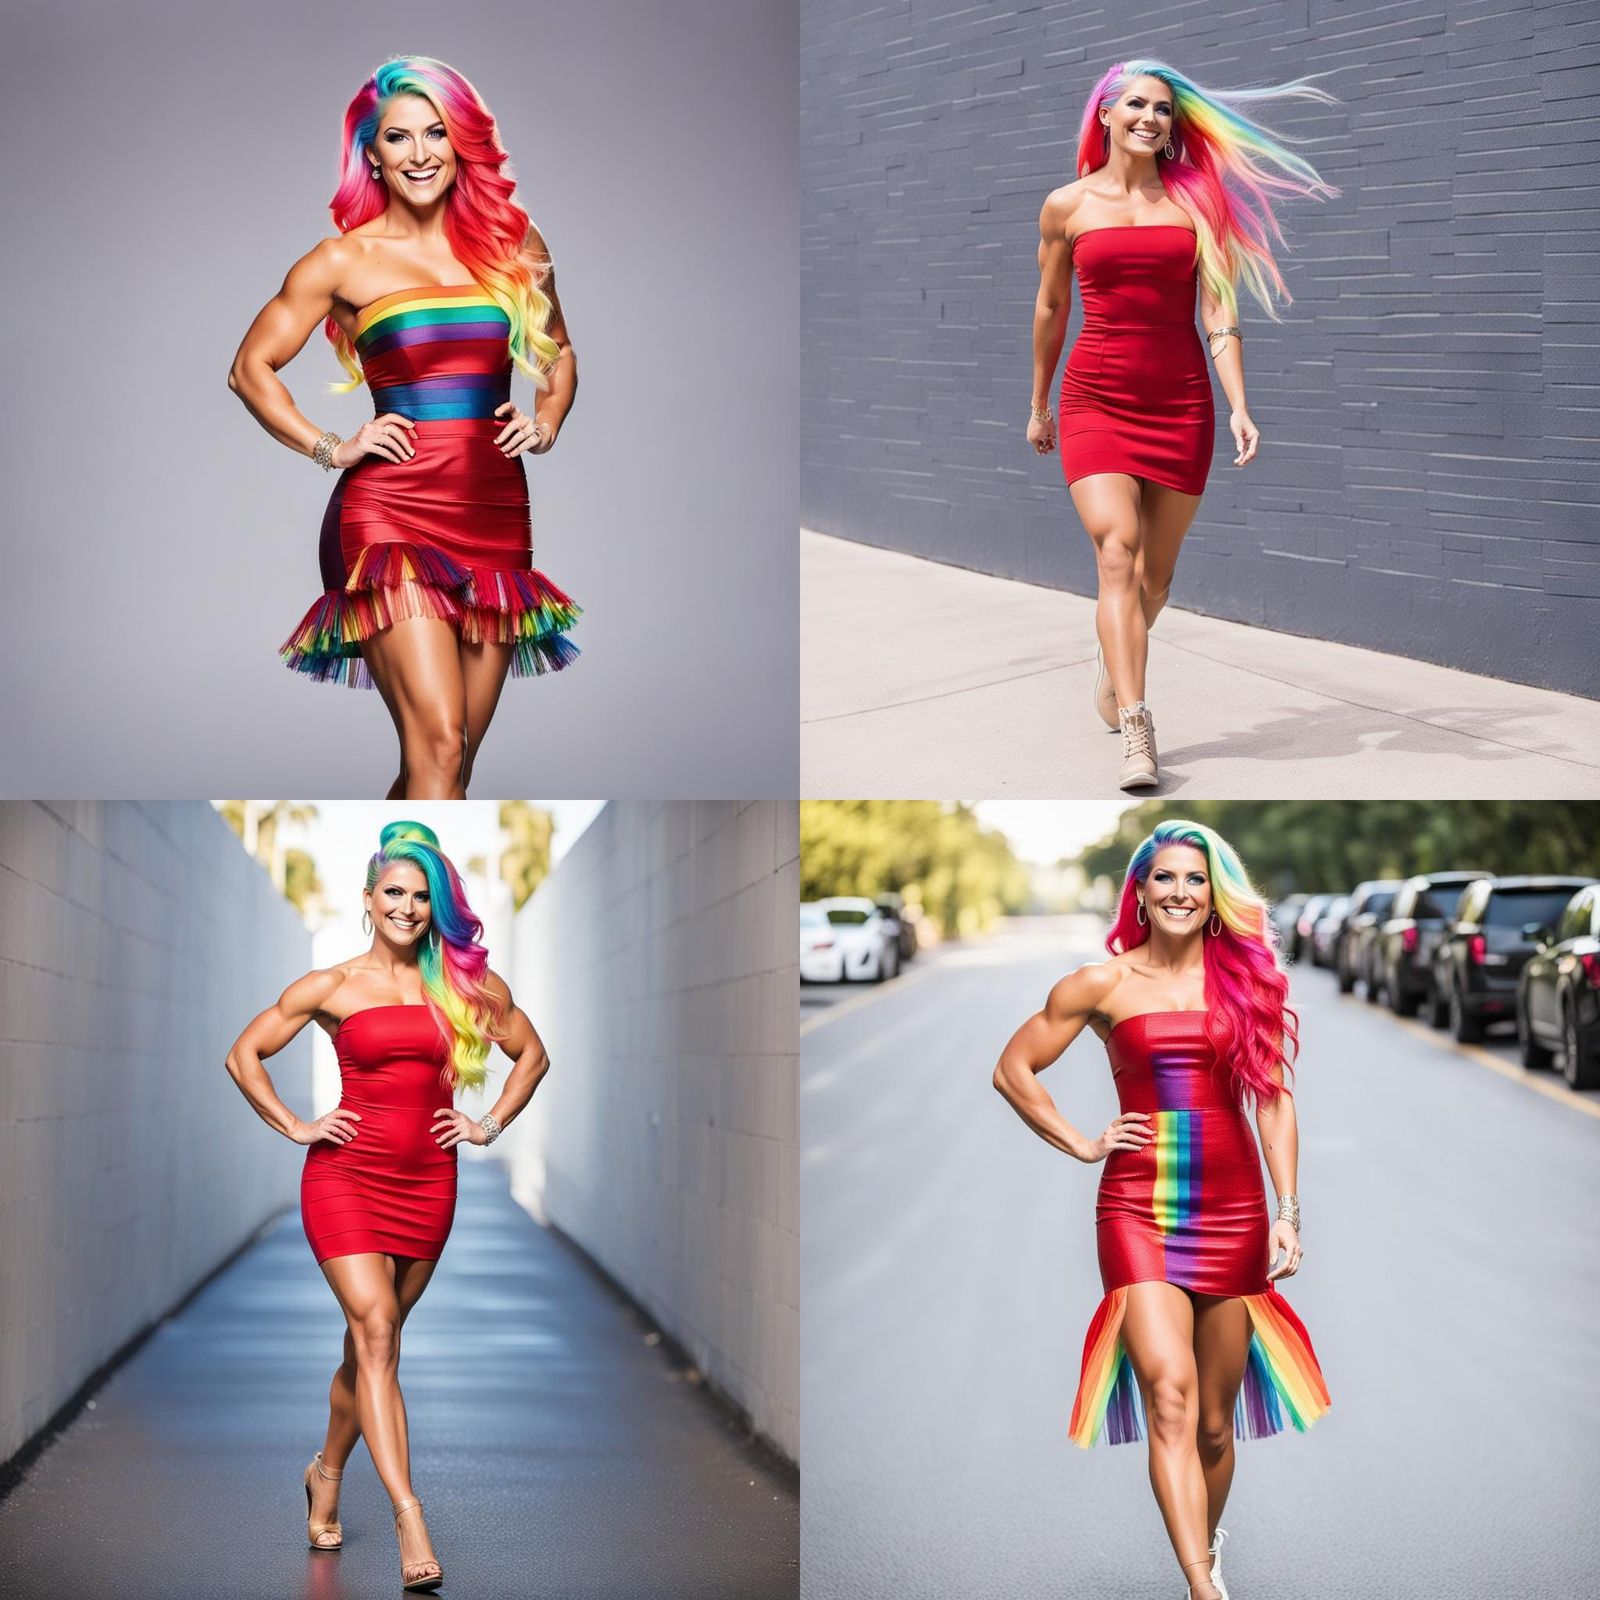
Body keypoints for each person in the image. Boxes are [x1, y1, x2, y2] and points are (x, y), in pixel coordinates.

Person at [992, 819, 1330, 1600]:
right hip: (1136, 1211)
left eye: (1195, 879)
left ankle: (1204, 1543)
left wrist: (1288, 1211)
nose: (1180, 891)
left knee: (1213, 1423)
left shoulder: (1246, 985)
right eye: (1165, 878)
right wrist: (1083, 1143)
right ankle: (1202, 1587)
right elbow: (1013, 1068)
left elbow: (1273, 1102)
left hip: (1234, 1210)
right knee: (1169, 1395)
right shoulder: (1101, 984)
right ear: (1139, 894)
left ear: (1214, 896)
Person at [228, 56, 581, 800]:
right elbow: (249, 368)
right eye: (398, 137)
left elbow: (560, 353)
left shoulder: (515, 242)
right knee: (441, 742)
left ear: (461, 143)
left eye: (435, 133)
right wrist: (331, 447)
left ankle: (408, 864)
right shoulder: (343, 260)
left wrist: (546, 420)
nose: (420, 153)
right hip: (389, 515)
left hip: (495, 515)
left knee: (451, 761)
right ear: (373, 155)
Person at [224, 820, 550, 1592]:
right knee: (376, 1330)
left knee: (370, 1343)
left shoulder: (465, 988)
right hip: (343, 1179)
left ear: (435, 907)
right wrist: (297, 1125)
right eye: (394, 892)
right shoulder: (332, 985)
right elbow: (244, 1054)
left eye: (420, 896)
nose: (406, 907)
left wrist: (488, 1124)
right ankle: (410, 1516)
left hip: (429, 1184)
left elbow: (532, 1055)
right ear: (368, 899)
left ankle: (326, 1472)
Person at [1026, 61, 1339, 789]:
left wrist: (1239, 404)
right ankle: (1137, 728)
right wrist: (1040, 404)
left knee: (1155, 581)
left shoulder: (1197, 202)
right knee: (1117, 552)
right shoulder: (1066, 206)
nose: (1150, 117)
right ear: (1105, 114)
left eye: (1163, 109)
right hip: (1095, 398)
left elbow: (1218, 310)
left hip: (1180, 403)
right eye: (1136, 104)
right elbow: (1051, 308)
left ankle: (1114, 660)